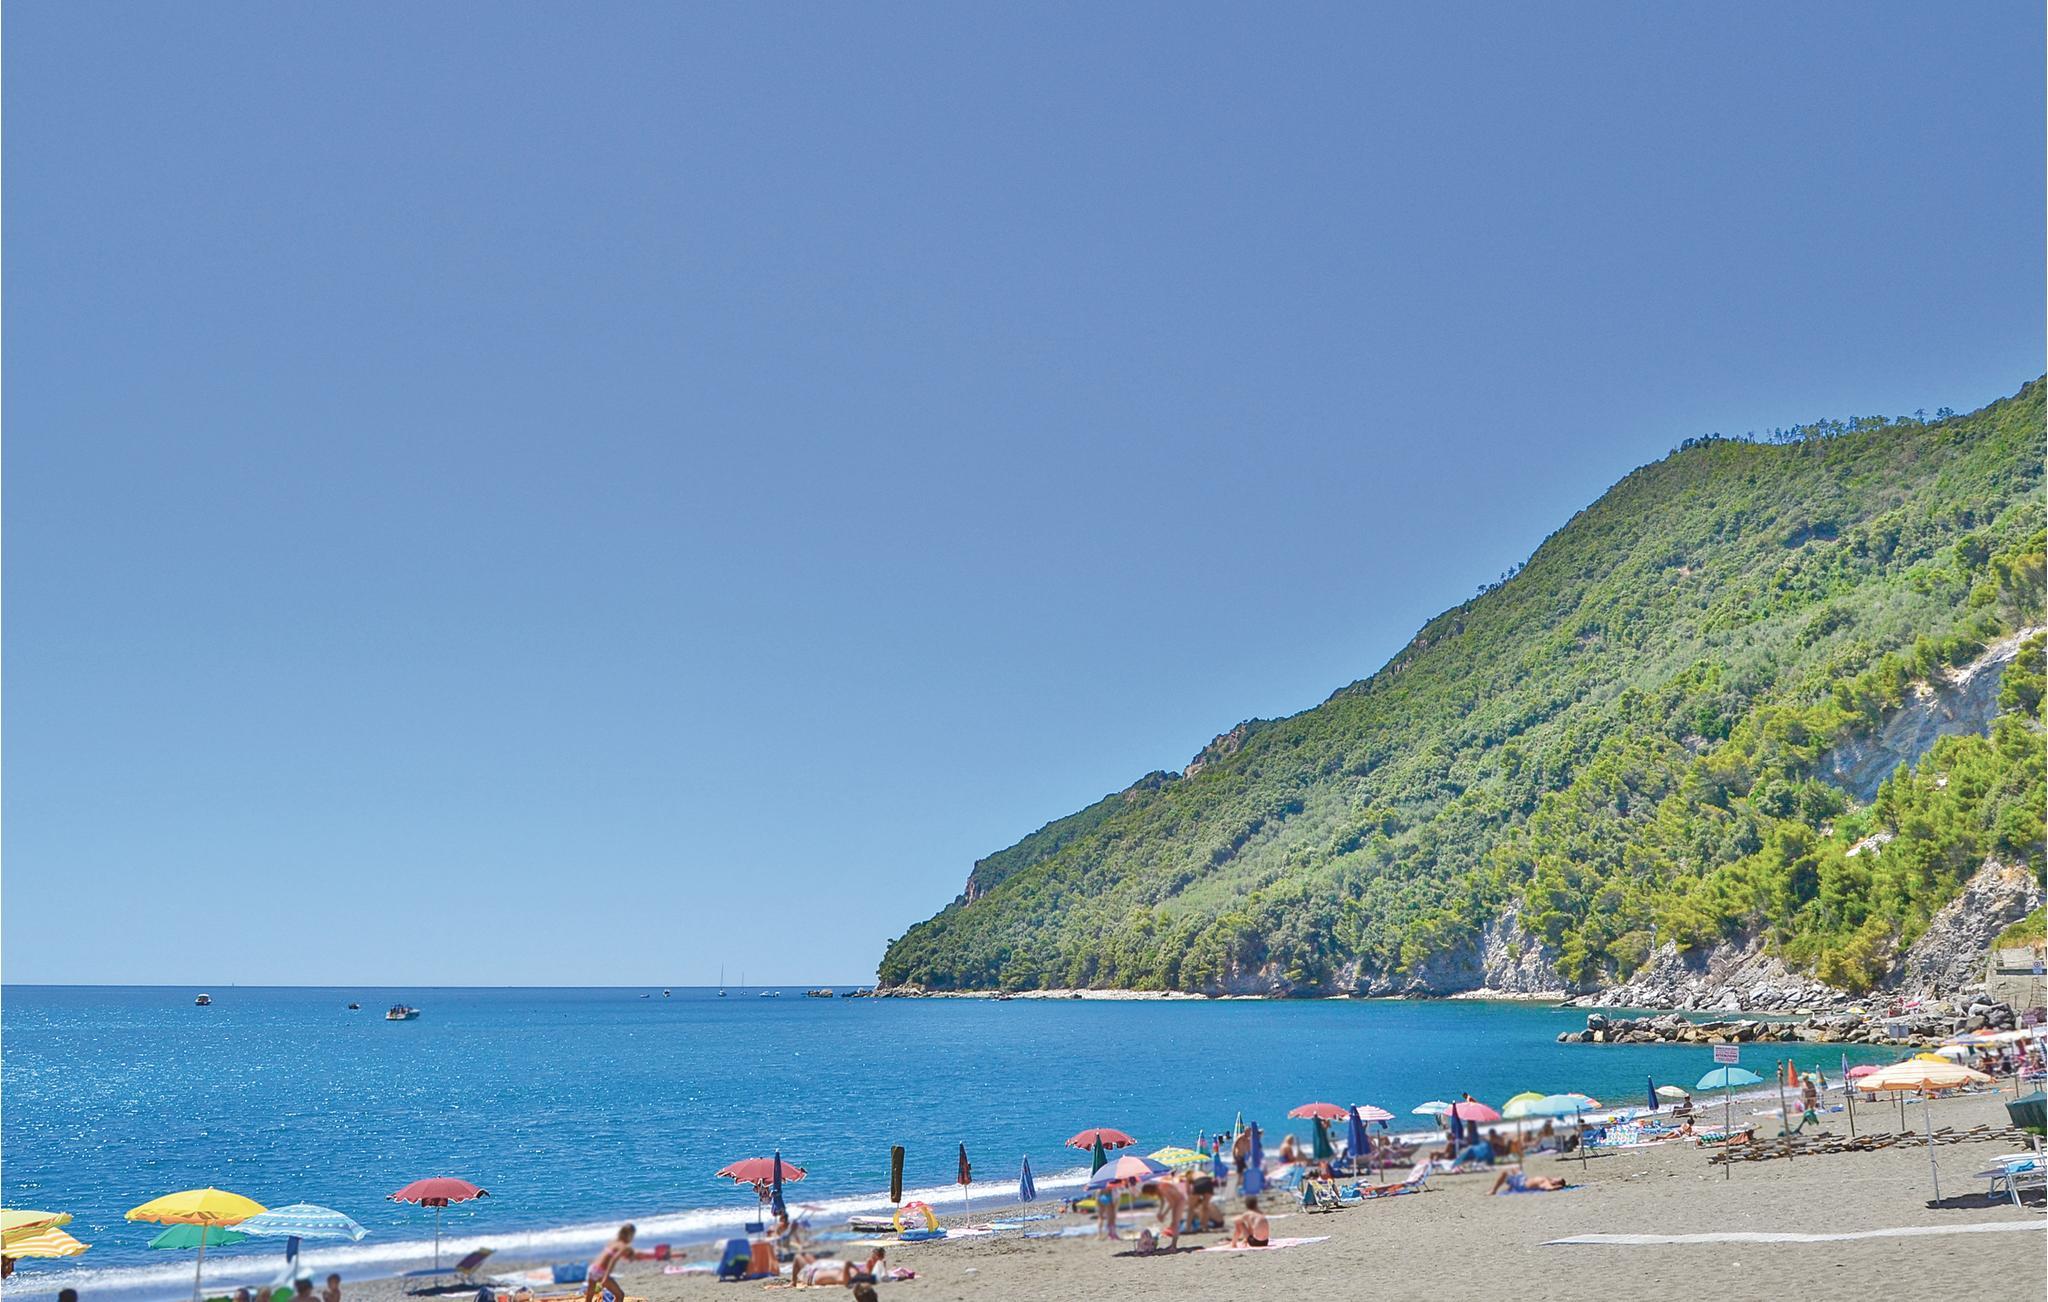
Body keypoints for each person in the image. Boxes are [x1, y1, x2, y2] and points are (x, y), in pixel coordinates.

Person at [584, 1224, 637, 1302]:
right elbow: (613, 1260)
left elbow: (607, 1256)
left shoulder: (613, 1242)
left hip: (592, 1269)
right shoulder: (624, 1246)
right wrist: (605, 1277)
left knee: (589, 1296)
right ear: (630, 1235)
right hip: (601, 1273)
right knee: (620, 1295)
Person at [1144, 1178, 1186, 1249]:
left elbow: (1171, 1203)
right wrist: (1159, 1213)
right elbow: (1162, 1201)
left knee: (1175, 1224)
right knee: (1174, 1224)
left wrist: (1163, 1214)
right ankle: (1173, 1245)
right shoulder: (1158, 1189)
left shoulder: (1161, 1188)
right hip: (1177, 1201)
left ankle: (1174, 1245)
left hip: (1180, 1200)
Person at [1490, 1167, 1567, 1195]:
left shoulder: (1547, 1183)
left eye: (1556, 1178)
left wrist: (1560, 1186)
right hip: (1524, 1179)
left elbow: (1549, 1189)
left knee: (1504, 1172)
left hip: (1522, 1184)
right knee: (1515, 1167)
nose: (1554, 1178)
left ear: (1556, 1182)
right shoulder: (1547, 1180)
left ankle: (1493, 1190)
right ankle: (1511, 1186)